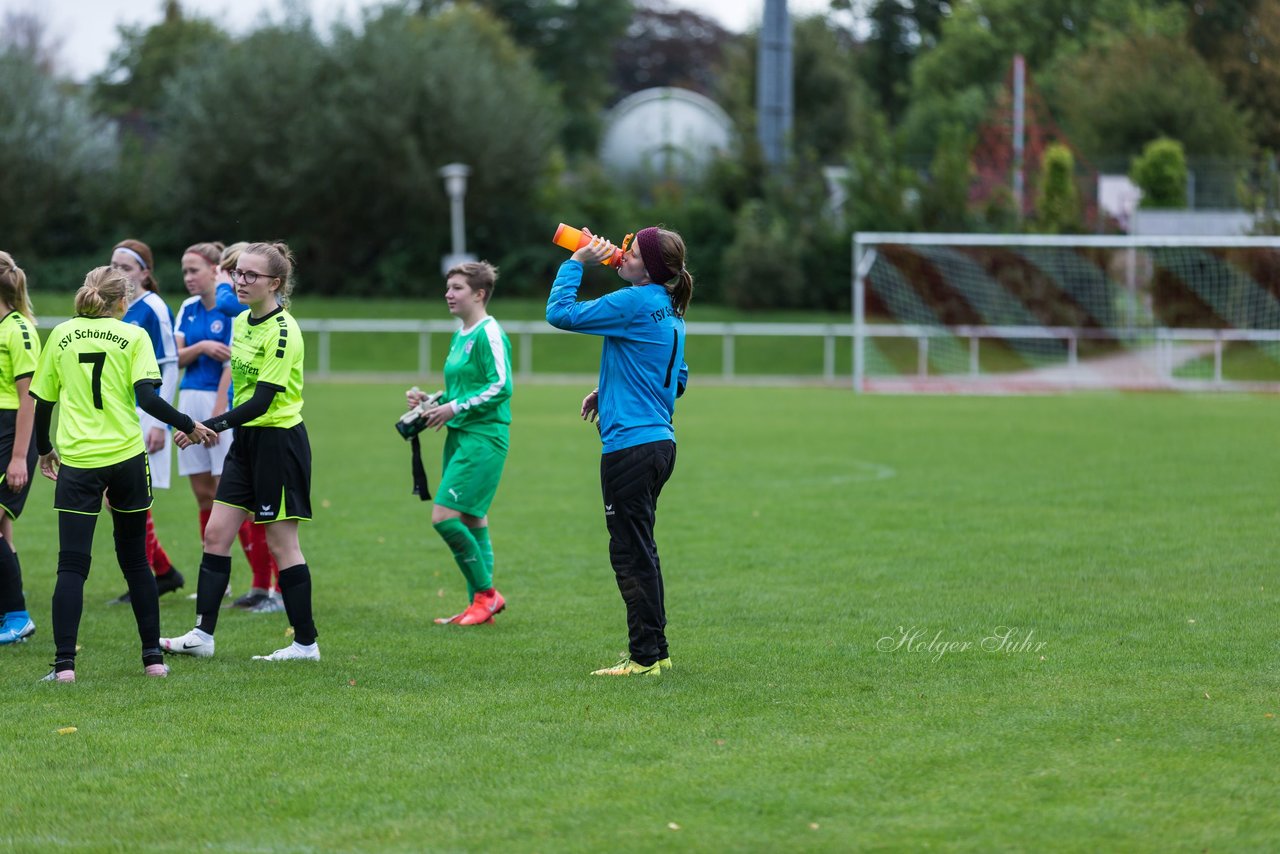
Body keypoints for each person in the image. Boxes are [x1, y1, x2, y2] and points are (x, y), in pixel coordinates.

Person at [30, 266, 216, 682]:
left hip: (79, 462)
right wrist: (186, 423)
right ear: (122, 301)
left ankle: (64, 668)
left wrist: (44, 450)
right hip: (128, 460)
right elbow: (148, 398)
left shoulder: (61, 334)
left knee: (72, 566)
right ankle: (153, 660)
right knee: (135, 562)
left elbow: (43, 401)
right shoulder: (133, 335)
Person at [162, 241, 320, 662]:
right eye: (237, 273)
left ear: (276, 283)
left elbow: (263, 401)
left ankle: (306, 644)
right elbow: (238, 389)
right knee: (216, 535)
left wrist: (205, 427)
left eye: (251, 275)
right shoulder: (243, 322)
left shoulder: (283, 330)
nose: (240, 281)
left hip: (278, 443)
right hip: (245, 442)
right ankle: (202, 636)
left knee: (281, 544)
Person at [545, 226, 691, 676]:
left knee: (630, 553)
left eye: (631, 250)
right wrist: (610, 389)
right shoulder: (667, 307)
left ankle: (645, 657)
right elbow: (677, 378)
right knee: (641, 548)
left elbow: (560, 313)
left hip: (630, 448)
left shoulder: (634, 302)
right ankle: (655, 652)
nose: (622, 253)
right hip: (659, 444)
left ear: (646, 266)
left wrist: (575, 263)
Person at [406, 261, 513, 626]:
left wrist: (453, 406)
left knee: (445, 518)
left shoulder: (489, 333)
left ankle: (486, 595)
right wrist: (432, 401)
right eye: (448, 287)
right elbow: (461, 390)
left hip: (484, 438)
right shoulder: (461, 334)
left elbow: (501, 385)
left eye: (457, 288)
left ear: (479, 294)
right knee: (472, 517)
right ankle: (478, 607)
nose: (448, 294)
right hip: (460, 435)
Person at [175, 242, 280, 612]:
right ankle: (223, 581)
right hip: (192, 400)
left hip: (226, 409)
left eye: (198, 269)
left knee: (240, 500)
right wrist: (202, 346)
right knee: (207, 496)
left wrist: (219, 411)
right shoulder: (189, 310)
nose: (189, 277)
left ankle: (266, 585)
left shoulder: (239, 308)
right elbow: (176, 357)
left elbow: (233, 365)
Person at [108, 239, 184, 603]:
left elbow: (169, 364)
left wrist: (161, 423)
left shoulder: (153, 307)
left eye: (125, 266)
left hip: (145, 413)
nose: (118, 272)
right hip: (121, 414)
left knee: (131, 500)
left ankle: (157, 574)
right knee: (120, 498)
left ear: (144, 272)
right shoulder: (118, 308)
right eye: (113, 265)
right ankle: (163, 572)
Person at [0, 252, 40, 645]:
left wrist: (18, 457)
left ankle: (17, 615)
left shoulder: (19, 329)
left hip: (11, 433)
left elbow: (29, 398)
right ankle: (9, 612)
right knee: (2, 529)